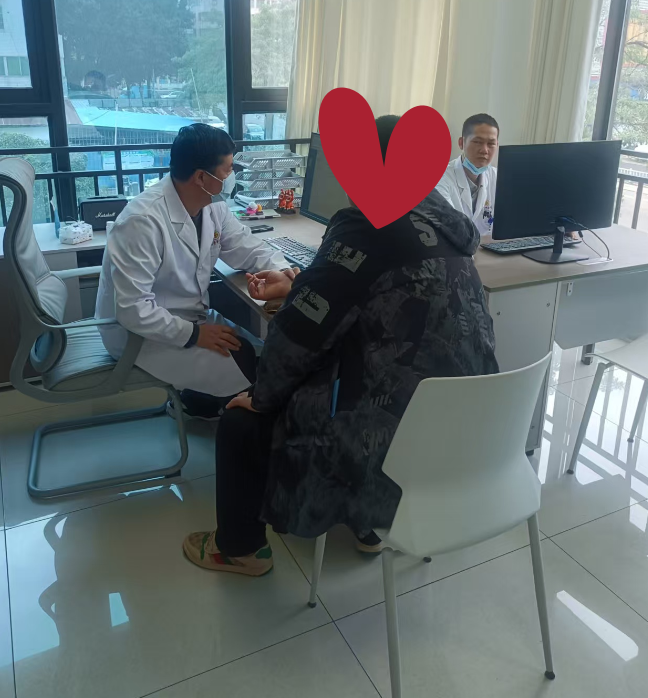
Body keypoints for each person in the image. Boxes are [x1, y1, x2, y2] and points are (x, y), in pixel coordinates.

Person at [183, 115, 499, 577]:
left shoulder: (365, 227)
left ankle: (240, 549)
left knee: (241, 419)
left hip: (390, 442)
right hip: (464, 436)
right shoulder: (445, 223)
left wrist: (262, 394)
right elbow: (386, 293)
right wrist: (304, 284)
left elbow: (299, 336)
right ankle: (369, 527)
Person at [96, 123, 296, 408]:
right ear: (202, 177)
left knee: (267, 356)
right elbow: (132, 309)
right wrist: (194, 335)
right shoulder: (141, 222)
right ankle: (208, 408)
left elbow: (247, 247)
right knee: (248, 370)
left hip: (189, 316)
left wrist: (284, 272)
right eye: (228, 170)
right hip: (140, 334)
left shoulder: (213, 205)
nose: (231, 178)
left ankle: (202, 403)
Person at [436, 114, 499, 236]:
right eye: (477, 142)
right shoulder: (440, 178)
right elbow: (449, 228)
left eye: (491, 144)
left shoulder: (498, 178)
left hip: (488, 246)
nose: (484, 150)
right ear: (461, 143)